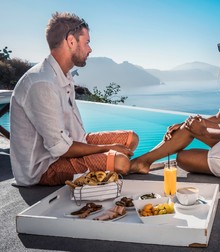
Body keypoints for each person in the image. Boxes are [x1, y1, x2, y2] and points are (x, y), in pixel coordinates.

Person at [130, 23, 220, 180]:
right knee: (190, 125)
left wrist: (201, 131)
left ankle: (140, 162)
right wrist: (185, 124)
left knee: (182, 158)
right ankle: (142, 162)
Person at [10, 12, 138, 186]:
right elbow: (60, 149)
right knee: (120, 161)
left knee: (131, 139)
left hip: (73, 143)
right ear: (71, 41)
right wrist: (107, 148)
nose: (90, 49)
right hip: (45, 167)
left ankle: (116, 168)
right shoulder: (41, 83)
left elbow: (69, 140)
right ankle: (123, 169)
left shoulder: (63, 75)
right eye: (86, 43)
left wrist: (107, 148)